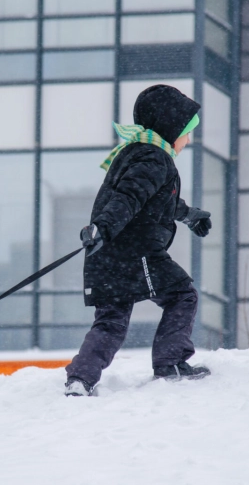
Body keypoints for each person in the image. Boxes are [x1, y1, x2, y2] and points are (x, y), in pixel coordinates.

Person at [64, 84, 213, 397]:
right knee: (182, 295)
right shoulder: (153, 159)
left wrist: (191, 216)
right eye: (188, 131)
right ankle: (170, 363)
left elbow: (159, 202)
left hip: (106, 255)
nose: (189, 139)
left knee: (110, 321)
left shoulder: (139, 155)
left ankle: (80, 379)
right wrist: (103, 227)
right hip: (133, 252)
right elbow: (128, 197)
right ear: (171, 129)